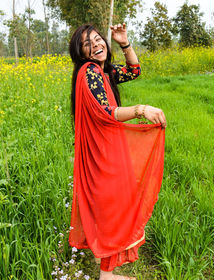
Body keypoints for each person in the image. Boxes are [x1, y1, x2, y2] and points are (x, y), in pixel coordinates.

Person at [68, 23, 166, 280]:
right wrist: (141, 109)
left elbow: (134, 70)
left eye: (98, 39)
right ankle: (107, 275)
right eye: (87, 43)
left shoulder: (103, 71)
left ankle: (107, 273)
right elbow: (107, 111)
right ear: (80, 52)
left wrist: (123, 41)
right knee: (114, 206)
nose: (96, 45)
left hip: (106, 145)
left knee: (110, 206)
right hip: (104, 150)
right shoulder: (90, 72)